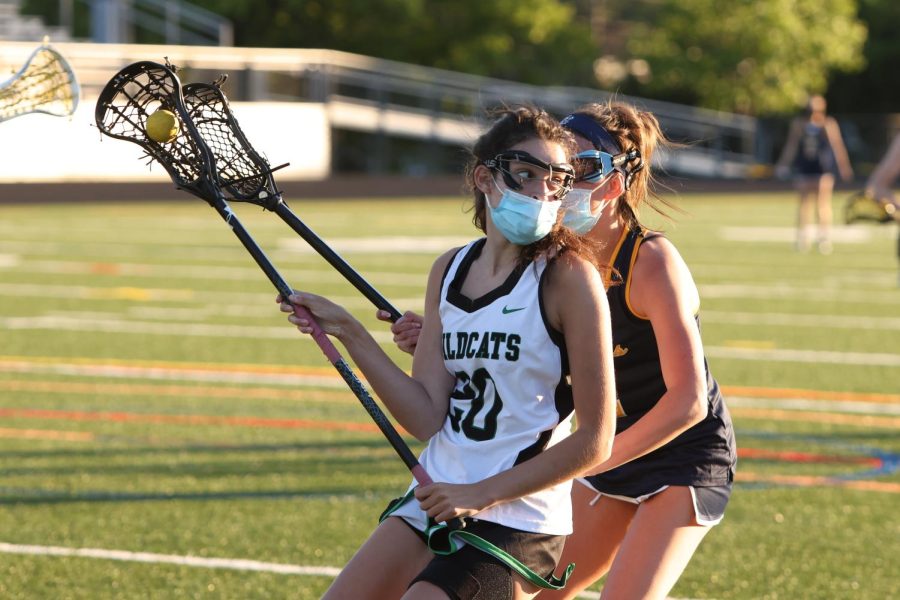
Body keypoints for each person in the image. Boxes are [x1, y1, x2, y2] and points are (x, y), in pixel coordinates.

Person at [380, 101, 738, 600]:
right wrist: (447, 337)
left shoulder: (650, 260)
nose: (554, 184)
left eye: (579, 169)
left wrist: (588, 462)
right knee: (534, 592)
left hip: (678, 456)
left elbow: (689, 402)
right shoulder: (549, 261)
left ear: (614, 185)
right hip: (601, 446)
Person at [281, 105, 617, 600]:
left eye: (556, 183)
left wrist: (478, 494)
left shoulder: (568, 277)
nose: (541, 195)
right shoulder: (450, 269)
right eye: (525, 175)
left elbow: (595, 439)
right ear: (485, 176)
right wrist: (351, 333)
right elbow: (424, 415)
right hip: (438, 494)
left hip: (517, 515)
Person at [775, 94, 854, 254]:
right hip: (805, 167)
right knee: (804, 204)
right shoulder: (799, 124)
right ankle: (803, 237)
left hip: (822, 168)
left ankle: (823, 237)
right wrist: (783, 164)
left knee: (822, 204)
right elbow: (791, 146)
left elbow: (837, 146)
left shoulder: (827, 124)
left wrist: (844, 166)